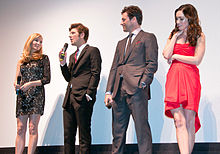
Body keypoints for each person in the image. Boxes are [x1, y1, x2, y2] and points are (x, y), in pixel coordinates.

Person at [104, 5, 158, 154]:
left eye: (123, 19)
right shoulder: (121, 43)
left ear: (133, 19)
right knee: (118, 131)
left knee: (142, 129)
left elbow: (152, 63)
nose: (121, 22)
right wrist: (108, 91)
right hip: (118, 90)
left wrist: (143, 83)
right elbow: (114, 67)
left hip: (137, 90)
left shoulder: (148, 37)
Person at [163, 4, 205, 154]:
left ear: (190, 18)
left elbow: (197, 59)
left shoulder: (199, 35)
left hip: (190, 78)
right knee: (178, 121)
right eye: (176, 19)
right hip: (174, 78)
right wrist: (175, 36)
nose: (177, 22)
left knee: (188, 122)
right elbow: (166, 54)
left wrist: (176, 56)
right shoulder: (173, 34)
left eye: (181, 19)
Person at [59, 23, 102, 154]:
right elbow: (69, 77)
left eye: (73, 33)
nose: (69, 36)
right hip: (69, 98)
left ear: (82, 35)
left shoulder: (92, 51)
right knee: (68, 136)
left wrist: (89, 93)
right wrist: (63, 64)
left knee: (83, 135)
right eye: (70, 33)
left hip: (83, 97)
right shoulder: (72, 56)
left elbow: (95, 73)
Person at [14, 33, 51, 154]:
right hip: (23, 96)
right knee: (20, 129)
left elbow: (47, 79)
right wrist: (16, 84)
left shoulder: (43, 58)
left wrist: (30, 84)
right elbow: (17, 79)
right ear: (30, 41)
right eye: (36, 40)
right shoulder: (22, 60)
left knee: (32, 128)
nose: (38, 44)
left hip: (37, 96)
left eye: (40, 42)